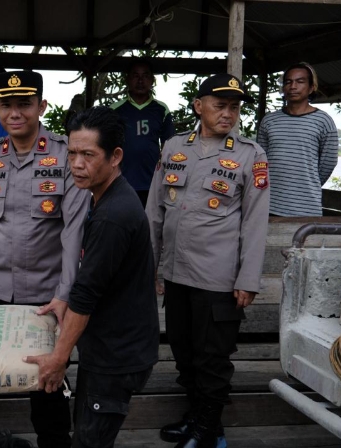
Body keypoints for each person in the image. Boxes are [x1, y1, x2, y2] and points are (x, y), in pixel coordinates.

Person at [0, 70, 90, 448]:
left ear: (41, 106)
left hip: (46, 294)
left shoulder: (66, 156)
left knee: (47, 375)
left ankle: (53, 440)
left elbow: (74, 231)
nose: (15, 113)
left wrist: (65, 294)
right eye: (6, 105)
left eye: (24, 104)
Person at [146, 74, 270, 448]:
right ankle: (198, 420)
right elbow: (154, 212)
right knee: (185, 354)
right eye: (220, 105)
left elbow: (255, 221)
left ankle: (207, 431)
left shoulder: (250, 154)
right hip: (177, 274)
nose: (228, 113)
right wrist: (151, 267)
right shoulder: (172, 147)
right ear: (199, 106)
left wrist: (247, 279)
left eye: (234, 107)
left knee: (212, 359)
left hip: (218, 279)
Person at [25, 106, 159, 448]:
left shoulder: (113, 215)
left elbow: (86, 295)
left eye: (88, 155)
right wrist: (62, 299)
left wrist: (57, 360)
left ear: (115, 156)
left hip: (116, 356)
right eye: (71, 153)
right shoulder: (103, 197)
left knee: (89, 441)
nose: (76, 165)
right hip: (108, 347)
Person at [256, 61, 338, 216]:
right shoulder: (269, 121)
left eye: (300, 82)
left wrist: (306, 184)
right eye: (288, 82)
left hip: (306, 208)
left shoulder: (324, 121)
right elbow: (260, 162)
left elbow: (328, 163)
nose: (293, 86)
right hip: (268, 205)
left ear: (312, 87)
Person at [110, 58, 175, 207]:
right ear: (127, 79)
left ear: (152, 80)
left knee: (150, 227)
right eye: (135, 76)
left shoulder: (161, 109)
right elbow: (106, 146)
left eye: (145, 76)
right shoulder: (114, 110)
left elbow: (170, 146)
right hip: (121, 181)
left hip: (153, 182)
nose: (140, 80)